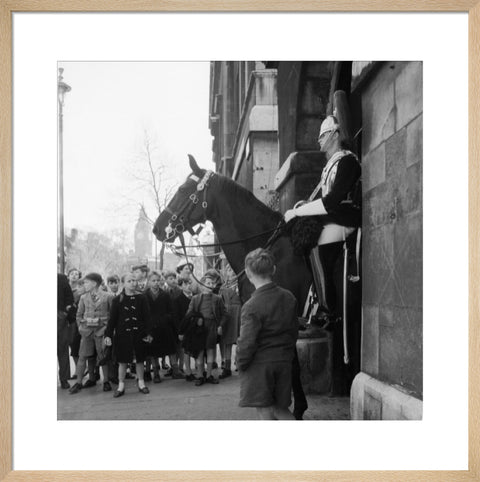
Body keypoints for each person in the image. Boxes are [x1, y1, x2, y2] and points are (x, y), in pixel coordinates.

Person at [284, 114, 361, 321]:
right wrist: (303, 207)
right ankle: (317, 297)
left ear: (335, 135)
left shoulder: (347, 161)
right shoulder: (331, 164)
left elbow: (332, 201)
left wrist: (299, 211)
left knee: (316, 244)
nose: (318, 140)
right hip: (333, 218)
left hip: (345, 219)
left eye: (323, 135)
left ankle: (329, 308)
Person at [237, 248, 298, 420]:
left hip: (260, 366)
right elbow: (294, 332)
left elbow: (246, 343)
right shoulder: (289, 297)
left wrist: (240, 362)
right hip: (284, 361)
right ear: (274, 270)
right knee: (281, 409)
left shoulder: (251, 306)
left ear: (248, 273)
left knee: (265, 412)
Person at [104, 273, 153, 398]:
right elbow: (112, 320)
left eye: (135, 280)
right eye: (130, 280)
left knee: (140, 360)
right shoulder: (117, 300)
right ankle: (121, 386)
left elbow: (147, 318)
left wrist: (149, 333)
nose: (133, 283)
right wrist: (108, 335)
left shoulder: (142, 298)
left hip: (139, 334)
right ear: (124, 283)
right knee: (122, 361)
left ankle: (141, 383)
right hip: (122, 335)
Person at [69, 273, 114, 394]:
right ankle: (78, 382)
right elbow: (78, 315)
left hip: (101, 331)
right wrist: (81, 328)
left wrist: (107, 329)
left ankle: (106, 381)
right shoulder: (83, 298)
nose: (84, 285)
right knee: (82, 356)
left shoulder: (108, 297)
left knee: (102, 356)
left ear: (94, 283)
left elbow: (113, 315)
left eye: (86, 282)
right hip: (86, 332)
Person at [183, 271, 227, 386]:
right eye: (208, 283)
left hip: (212, 327)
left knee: (210, 350)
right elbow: (189, 313)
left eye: (212, 283)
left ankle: (209, 375)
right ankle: (200, 375)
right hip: (199, 329)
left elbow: (225, 314)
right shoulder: (196, 298)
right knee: (200, 352)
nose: (210, 285)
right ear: (202, 285)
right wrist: (195, 320)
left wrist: (220, 325)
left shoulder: (217, 299)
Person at [144, 271, 182, 381]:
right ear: (149, 282)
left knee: (171, 349)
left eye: (157, 280)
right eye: (153, 281)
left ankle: (175, 371)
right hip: (151, 328)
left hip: (165, 327)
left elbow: (171, 311)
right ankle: (156, 373)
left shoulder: (165, 295)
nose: (156, 283)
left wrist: (166, 320)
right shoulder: (144, 296)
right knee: (152, 351)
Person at [219, 265, 242, 379]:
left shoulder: (241, 284)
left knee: (240, 340)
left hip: (239, 313)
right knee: (227, 341)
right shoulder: (223, 287)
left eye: (233, 269)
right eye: (228, 270)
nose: (231, 272)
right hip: (227, 315)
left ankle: (239, 363)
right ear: (226, 272)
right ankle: (227, 367)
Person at [174, 277, 195, 380]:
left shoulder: (195, 297)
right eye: (185, 284)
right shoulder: (178, 300)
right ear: (181, 286)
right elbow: (177, 318)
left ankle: (197, 369)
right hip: (184, 329)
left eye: (190, 284)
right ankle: (187, 371)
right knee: (185, 351)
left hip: (194, 329)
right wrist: (180, 331)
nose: (188, 286)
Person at [58, 273, 74, 389]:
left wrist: (64, 313)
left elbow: (69, 298)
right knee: (62, 350)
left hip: (59, 317)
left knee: (62, 349)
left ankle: (64, 379)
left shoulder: (61, 278)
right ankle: (64, 380)